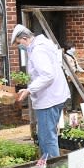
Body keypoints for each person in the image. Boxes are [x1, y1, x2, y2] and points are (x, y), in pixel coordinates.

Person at [12, 24, 71, 159]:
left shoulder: (38, 51)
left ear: (25, 38)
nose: (19, 46)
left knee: (47, 138)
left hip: (48, 100)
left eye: (19, 43)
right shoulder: (43, 44)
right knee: (48, 135)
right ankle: (48, 166)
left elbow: (47, 76)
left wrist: (29, 90)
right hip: (55, 96)